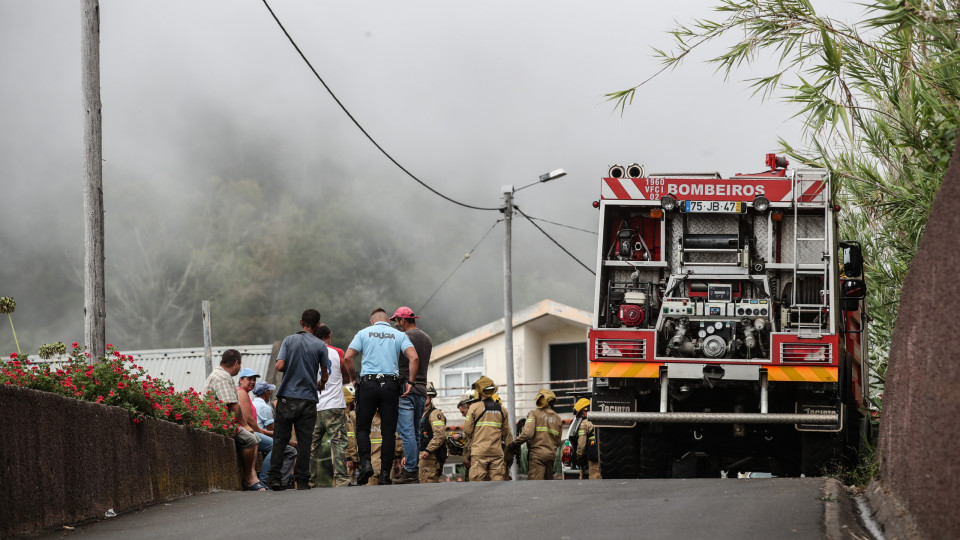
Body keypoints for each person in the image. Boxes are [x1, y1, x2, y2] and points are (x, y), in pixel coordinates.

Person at [342, 307, 419, 486]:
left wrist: (354, 379)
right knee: (388, 431)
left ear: (372, 321)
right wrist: (411, 382)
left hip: (368, 384)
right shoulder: (398, 335)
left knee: (362, 428)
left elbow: (348, 358)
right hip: (390, 385)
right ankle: (385, 474)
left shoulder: (363, 333)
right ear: (388, 321)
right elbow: (414, 358)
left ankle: (367, 464)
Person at [266, 308, 331, 491]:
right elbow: (325, 375)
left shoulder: (289, 340)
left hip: (286, 398)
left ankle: (275, 478)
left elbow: (279, 366)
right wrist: (320, 383)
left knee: (280, 439)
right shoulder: (320, 346)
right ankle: (302, 480)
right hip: (308, 400)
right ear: (318, 325)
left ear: (300, 323)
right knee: (305, 441)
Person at [201, 349, 267, 491]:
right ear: (236, 363)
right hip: (219, 422)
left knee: (254, 438)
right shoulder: (222, 377)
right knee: (250, 439)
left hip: (222, 420)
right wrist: (244, 425)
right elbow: (232, 405)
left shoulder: (220, 375)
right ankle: (249, 479)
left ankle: (253, 477)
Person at [390, 307, 432, 484]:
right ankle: (412, 470)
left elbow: (396, 362)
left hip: (405, 389)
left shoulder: (403, 337)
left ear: (403, 320)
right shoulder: (426, 338)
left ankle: (411, 471)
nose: (396, 324)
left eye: (396, 321)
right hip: (422, 391)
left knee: (406, 433)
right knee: (414, 432)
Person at [310, 324, 353, 488]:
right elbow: (345, 375)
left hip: (314, 405)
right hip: (334, 405)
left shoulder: (309, 353)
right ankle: (341, 479)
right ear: (330, 335)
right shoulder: (338, 352)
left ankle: (309, 480)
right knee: (338, 443)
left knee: (312, 445)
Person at [463, 379, 513, 481]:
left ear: (480, 392)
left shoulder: (474, 407)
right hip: (497, 452)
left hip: (479, 452)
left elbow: (467, 430)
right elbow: (507, 433)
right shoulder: (502, 409)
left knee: (477, 484)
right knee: (497, 483)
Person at [509, 389, 562, 480]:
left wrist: (514, 444)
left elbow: (527, 434)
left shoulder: (534, 413)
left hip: (537, 456)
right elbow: (558, 441)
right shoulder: (558, 418)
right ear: (552, 402)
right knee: (547, 486)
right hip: (551, 456)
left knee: (535, 486)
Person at [418, 382, 447, 483]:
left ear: (431, 397)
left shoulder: (435, 414)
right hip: (419, 457)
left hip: (430, 458)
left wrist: (428, 450)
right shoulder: (418, 414)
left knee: (427, 488)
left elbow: (439, 435)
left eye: (425, 396)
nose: (422, 399)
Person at [574, 398, 600, 479]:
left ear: (584, 411)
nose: (582, 417)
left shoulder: (585, 423)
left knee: (595, 478)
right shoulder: (605, 417)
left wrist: (579, 457)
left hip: (594, 455)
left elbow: (581, 445)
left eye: (581, 414)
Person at [344, 386, 359, 483]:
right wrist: (349, 458)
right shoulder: (343, 417)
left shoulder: (350, 416)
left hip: (350, 460)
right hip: (345, 460)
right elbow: (346, 440)